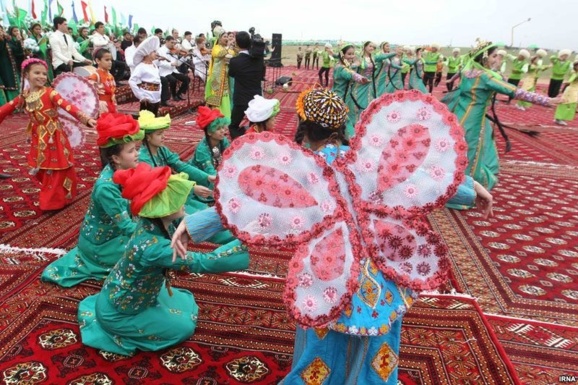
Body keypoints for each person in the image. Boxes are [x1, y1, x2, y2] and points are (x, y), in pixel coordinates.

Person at [282, 88, 416, 384]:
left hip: (327, 274)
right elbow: (424, 177)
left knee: (320, 351)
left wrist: (196, 225)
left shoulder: (305, 168)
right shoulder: (370, 159)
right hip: (381, 276)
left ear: (304, 127)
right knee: (377, 355)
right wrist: (472, 191)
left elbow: (254, 204)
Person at [77, 162, 250, 356]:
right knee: (184, 327)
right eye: (176, 200)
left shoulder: (151, 222)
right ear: (163, 209)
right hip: (122, 313)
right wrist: (244, 243)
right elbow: (203, 262)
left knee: (182, 302)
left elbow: (196, 225)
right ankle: (120, 329)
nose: (184, 202)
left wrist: (235, 224)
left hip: (118, 292)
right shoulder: (154, 248)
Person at [41, 113, 143, 287]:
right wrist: (153, 233)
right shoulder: (107, 187)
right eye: (131, 150)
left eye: (136, 149)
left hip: (115, 235)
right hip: (103, 244)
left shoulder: (125, 170)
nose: (137, 154)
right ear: (116, 158)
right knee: (147, 257)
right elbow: (125, 225)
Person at [446, 40, 557, 190]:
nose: (497, 59)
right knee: (468, 151)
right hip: (474, 119)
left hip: (459, 114)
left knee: (456, 148)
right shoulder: (485, 77)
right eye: (494, 56)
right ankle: (461, 189)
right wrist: (545, 100)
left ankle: (447, 182)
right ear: (485, 58)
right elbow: (514, 91)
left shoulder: (467, 72)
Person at [0, 58, 97, 210]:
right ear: (26, 74)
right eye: (36, 73)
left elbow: (67, 106)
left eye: (44, 74)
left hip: (54, 136)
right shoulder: (24, 96)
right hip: (38, 136)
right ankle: (60, 195)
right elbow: (6, 109)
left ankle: (52, 201)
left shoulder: (50, 93)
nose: (41, 76)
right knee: (43, 168)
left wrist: (86, 118)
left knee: (57, 167)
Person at [137, 110, 218, 214]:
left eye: (163, 133)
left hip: (169, 189)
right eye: (159, 134)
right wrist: (191, 188)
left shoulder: (161, 149)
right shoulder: (143, 159)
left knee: (203, 209)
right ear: (148, 137)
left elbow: (180, 165)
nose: (164, 136)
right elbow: (161, 181)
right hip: (157, 196)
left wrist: (206, 177)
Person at [189, 106, 231, 204]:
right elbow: (210, 172)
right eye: (218, 129)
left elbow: (231, 155)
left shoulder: (222, 140)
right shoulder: (202, 149)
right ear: (209, 132)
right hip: (202, 177)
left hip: (214, 170)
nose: (222, 131)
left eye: (222, 127)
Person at [228, 31, 266, 139]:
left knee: (233, 126)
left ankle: (239, 143)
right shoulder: (258, 59)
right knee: (255, 125)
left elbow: (231, 74)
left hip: (240, 99)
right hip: (256, 98)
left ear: (237, 43)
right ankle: (253, 141)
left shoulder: (235, 61)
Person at [332, 43, 369, 138]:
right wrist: (361, 79)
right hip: (340, 98)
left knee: (350, 115)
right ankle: (351, 140)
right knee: (344, 119)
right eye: (349, 54)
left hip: (346, 96)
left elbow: (350, 70)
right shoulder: (341, 68)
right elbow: (350, 74)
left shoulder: (343, 65)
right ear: (342, 54)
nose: (352, 56)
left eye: (353, 54)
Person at [205, 28, 234, 118]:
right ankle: (215, 116)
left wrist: (230, 48)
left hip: (225, 76)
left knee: (225, 96)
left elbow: (232, 53)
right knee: (216, 97)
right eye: (224, 37)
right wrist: (228, 46)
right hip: (217, 77)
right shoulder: (216, 48)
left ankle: (225, 116)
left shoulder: (224, 48)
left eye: (227, 37)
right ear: (219, 38)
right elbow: (220, 54)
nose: (227, 39)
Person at [129, 36, 162, 116]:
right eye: (154, 52)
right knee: (147, 121)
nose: (156, 53)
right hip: (147, 98)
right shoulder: (141, 66)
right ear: (147, 54)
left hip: (156, 97)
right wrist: (141, 96)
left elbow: (157, 80)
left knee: (154, 118)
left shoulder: (153, 64)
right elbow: (132, 81)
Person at [157, 36, 190, 105]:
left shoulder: (173, 50)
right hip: (164, 71)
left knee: (187, 79)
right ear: (167, 41)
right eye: (171, 43)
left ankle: (179, 93)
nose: (173, 45)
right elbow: (159, 63)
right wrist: (170, 64)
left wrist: (184, 57)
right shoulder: (160, 50)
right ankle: (174, 95)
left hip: (173, 70)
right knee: (173, 80)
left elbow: (177, 64)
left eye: (174, 43)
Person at [89, 48, 117, 114]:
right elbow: (89, 92)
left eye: (111, 60)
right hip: (102, 107)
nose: (110, 62)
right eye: (107, 60)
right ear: (98, 61)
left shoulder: (110, 75)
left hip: (111, 104)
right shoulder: (95, 75)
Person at [0, 25, 22, 102]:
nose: (1, 33)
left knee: (16, 84)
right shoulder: (3, 42)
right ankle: (12, 105)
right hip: (4, 68)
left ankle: (19, 103)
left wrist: (19, 42)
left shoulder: (9, 41)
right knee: (9, 84)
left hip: (13, 67)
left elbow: (18, 53)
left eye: (1, 30)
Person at [554, 60, 578, 126]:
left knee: (571, 104)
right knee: (566, 103)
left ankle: (562, 118)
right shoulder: (575, 74)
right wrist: (567, 83)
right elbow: (570, 80)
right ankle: (559, 118)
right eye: (577, 65)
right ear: (575, 66)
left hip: (575, 91)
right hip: (571, 91)